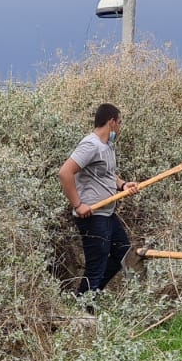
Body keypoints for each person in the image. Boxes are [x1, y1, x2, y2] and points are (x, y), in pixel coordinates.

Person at [59, 103, 139, 293]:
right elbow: (65, 173)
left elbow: (107, 174)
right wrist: (78, 205)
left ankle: (89, 296)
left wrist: (122, 185)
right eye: (119, 123)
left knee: (122, 252)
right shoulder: (91, 145)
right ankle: (84, 304)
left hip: (107, 213)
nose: (119, 128)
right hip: (92, 216)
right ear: (111, 122)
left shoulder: (107, 146)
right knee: (97, 263)